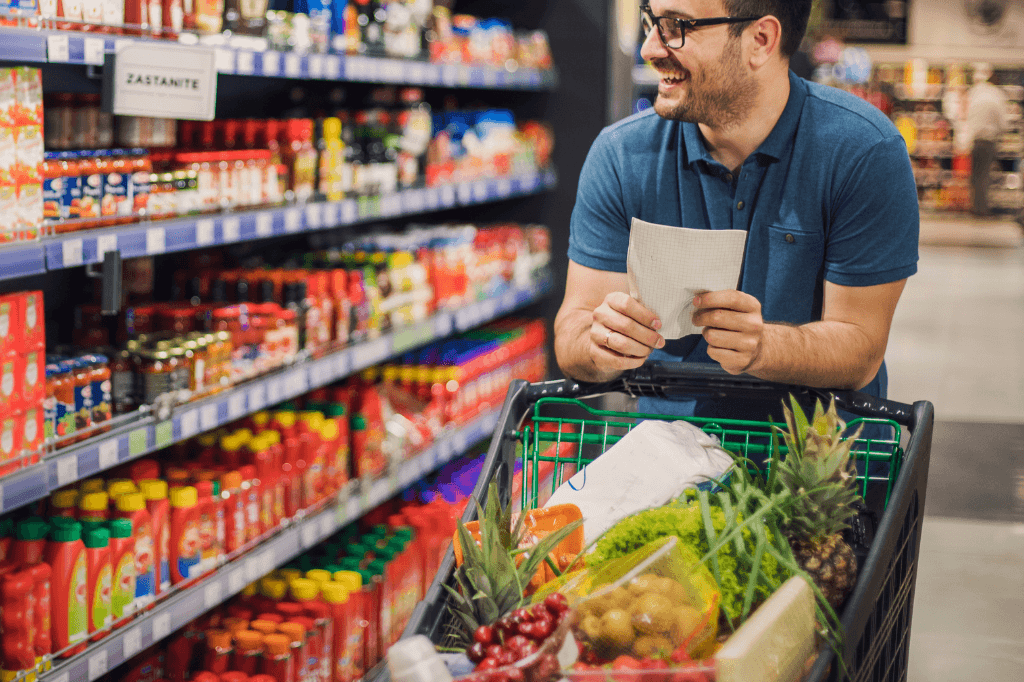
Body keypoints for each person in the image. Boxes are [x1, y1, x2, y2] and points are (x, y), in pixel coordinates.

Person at [554, 0, 919, 421]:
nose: (649, 47)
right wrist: (600, 345)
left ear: (760, 41)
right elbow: (572, 331)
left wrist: (763, 346)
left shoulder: (863, 152)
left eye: (676, 26)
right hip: (667, 466)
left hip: (821, 469)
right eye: (650, 22)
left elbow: (861, 348)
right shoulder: (621, 156)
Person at [964, 63, 1008, 218]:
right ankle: (982, 209)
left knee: (976, 176)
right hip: (989, 140)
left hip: (976, 140)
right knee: (985, 175)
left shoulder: (975, 94)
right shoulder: (997, 95)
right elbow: (1003, 122)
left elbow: (968, 118)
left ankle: (976, 207)